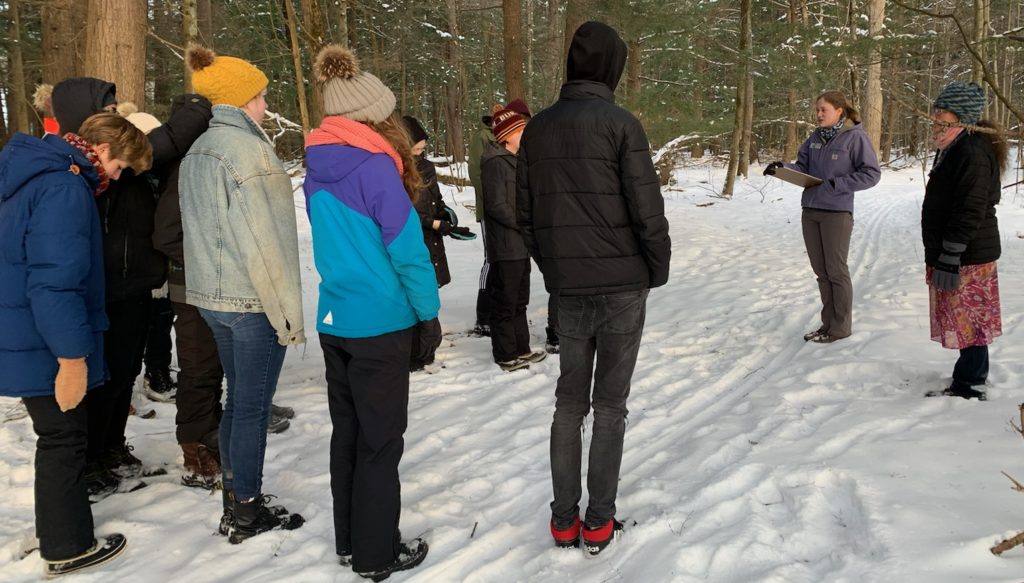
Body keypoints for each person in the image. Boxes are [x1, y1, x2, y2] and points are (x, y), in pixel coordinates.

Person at [516, 21, 671, 555]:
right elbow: (648, 210)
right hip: (622, 284)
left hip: (572, 287)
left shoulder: (537, 130)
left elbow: (526, 217)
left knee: (569, 404)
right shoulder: (621, 124)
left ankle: (566, 521)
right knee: (608, 406)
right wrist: (656, 267)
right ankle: (596, 521)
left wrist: (557, 266)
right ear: (612, 68)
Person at [0, 112, 152, 577]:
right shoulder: (64, 188)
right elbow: (54, 283)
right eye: (121, 167)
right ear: (103, 151)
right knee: (64, 438)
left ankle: (55, 531)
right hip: (45, 338)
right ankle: (67, 545)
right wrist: (71, 358)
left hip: (27, 330)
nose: (116, 177)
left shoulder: (32, 173)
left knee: (57, 438)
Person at [305, 44, 437, 580]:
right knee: (381, 444)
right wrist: (427, 316)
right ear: (371, 115)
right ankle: (376, 553)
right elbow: (408, 250)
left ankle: (350, 539)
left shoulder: (317, 164)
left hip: (335, 319)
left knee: (350, 436)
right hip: (380, 324)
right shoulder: (377, 168)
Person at [51, 78, 202, 496]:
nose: (118, 114)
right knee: (105, 379)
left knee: (124, 374)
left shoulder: (116, 157)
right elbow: (167, 141)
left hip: (134, 281)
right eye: (109, 107)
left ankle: (112, 447)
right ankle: (91, 460)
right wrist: (194, 105)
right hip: (108, 286)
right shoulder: (86, 160)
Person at [180, 44, 305, 543]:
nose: (265, 105)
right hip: (250, 303)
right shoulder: (249, 153)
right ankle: (248, 509)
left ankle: (238, 498)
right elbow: (267, 243)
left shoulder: (196, 150)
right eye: (261, 96)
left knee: (238, 403)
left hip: (212, 298)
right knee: (251, 408)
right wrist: (287, 315)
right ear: (244, 99)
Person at [765, 90, 881, 343]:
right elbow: (802, 167)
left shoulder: (855, 138)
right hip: (811, 210)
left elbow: (871, 174)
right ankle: (827, 323)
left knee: (835, 270)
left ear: (839, 111)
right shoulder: (815, 138)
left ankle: (840, 327)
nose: (818, 114)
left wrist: (836, 184)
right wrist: (782, 169)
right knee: (821, 271)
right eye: (817, 109)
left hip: (837, 212)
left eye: (823, 110)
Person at [921, 82, 1004, 401]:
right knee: (967, 317)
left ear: (960, 115)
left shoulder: (970, 150)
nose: (935, 117)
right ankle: (970, 375)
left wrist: (950, 254)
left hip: (969, 254)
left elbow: (970, 208)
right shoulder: (957, 147)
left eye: (941, 111)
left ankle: (969, 384)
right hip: (964, 252)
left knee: (970, 318)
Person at [402, 115, 476, 372]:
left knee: (430, 290)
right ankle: (416, 352)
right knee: (416, 295)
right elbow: (403, 211)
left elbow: (435, 198)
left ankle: (424, 349)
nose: (422, 152)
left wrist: (445, 215)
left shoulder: (426, 167)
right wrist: (433, 224)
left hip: (431, 240)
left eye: (423, 147)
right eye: (417, 148)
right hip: (413, 240)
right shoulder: (394, 170)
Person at [482, 106, 546, 372]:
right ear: (507, 135)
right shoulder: (494, 162)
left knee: (520, 301)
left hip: (521, 246)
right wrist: (522, 223)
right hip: (506, 245)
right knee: (505, 302)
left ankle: (522, 348)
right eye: (521, 131)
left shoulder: (517, 159)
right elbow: (497, 205)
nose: (525, 134)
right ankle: (505, 353)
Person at [468, 110, 495, 338]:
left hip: (508, 209)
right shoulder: (482, 137)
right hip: (490, 208)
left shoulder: (508, 137)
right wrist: (491, 200)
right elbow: (476, 173)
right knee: (491, 259)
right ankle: (483, 316)